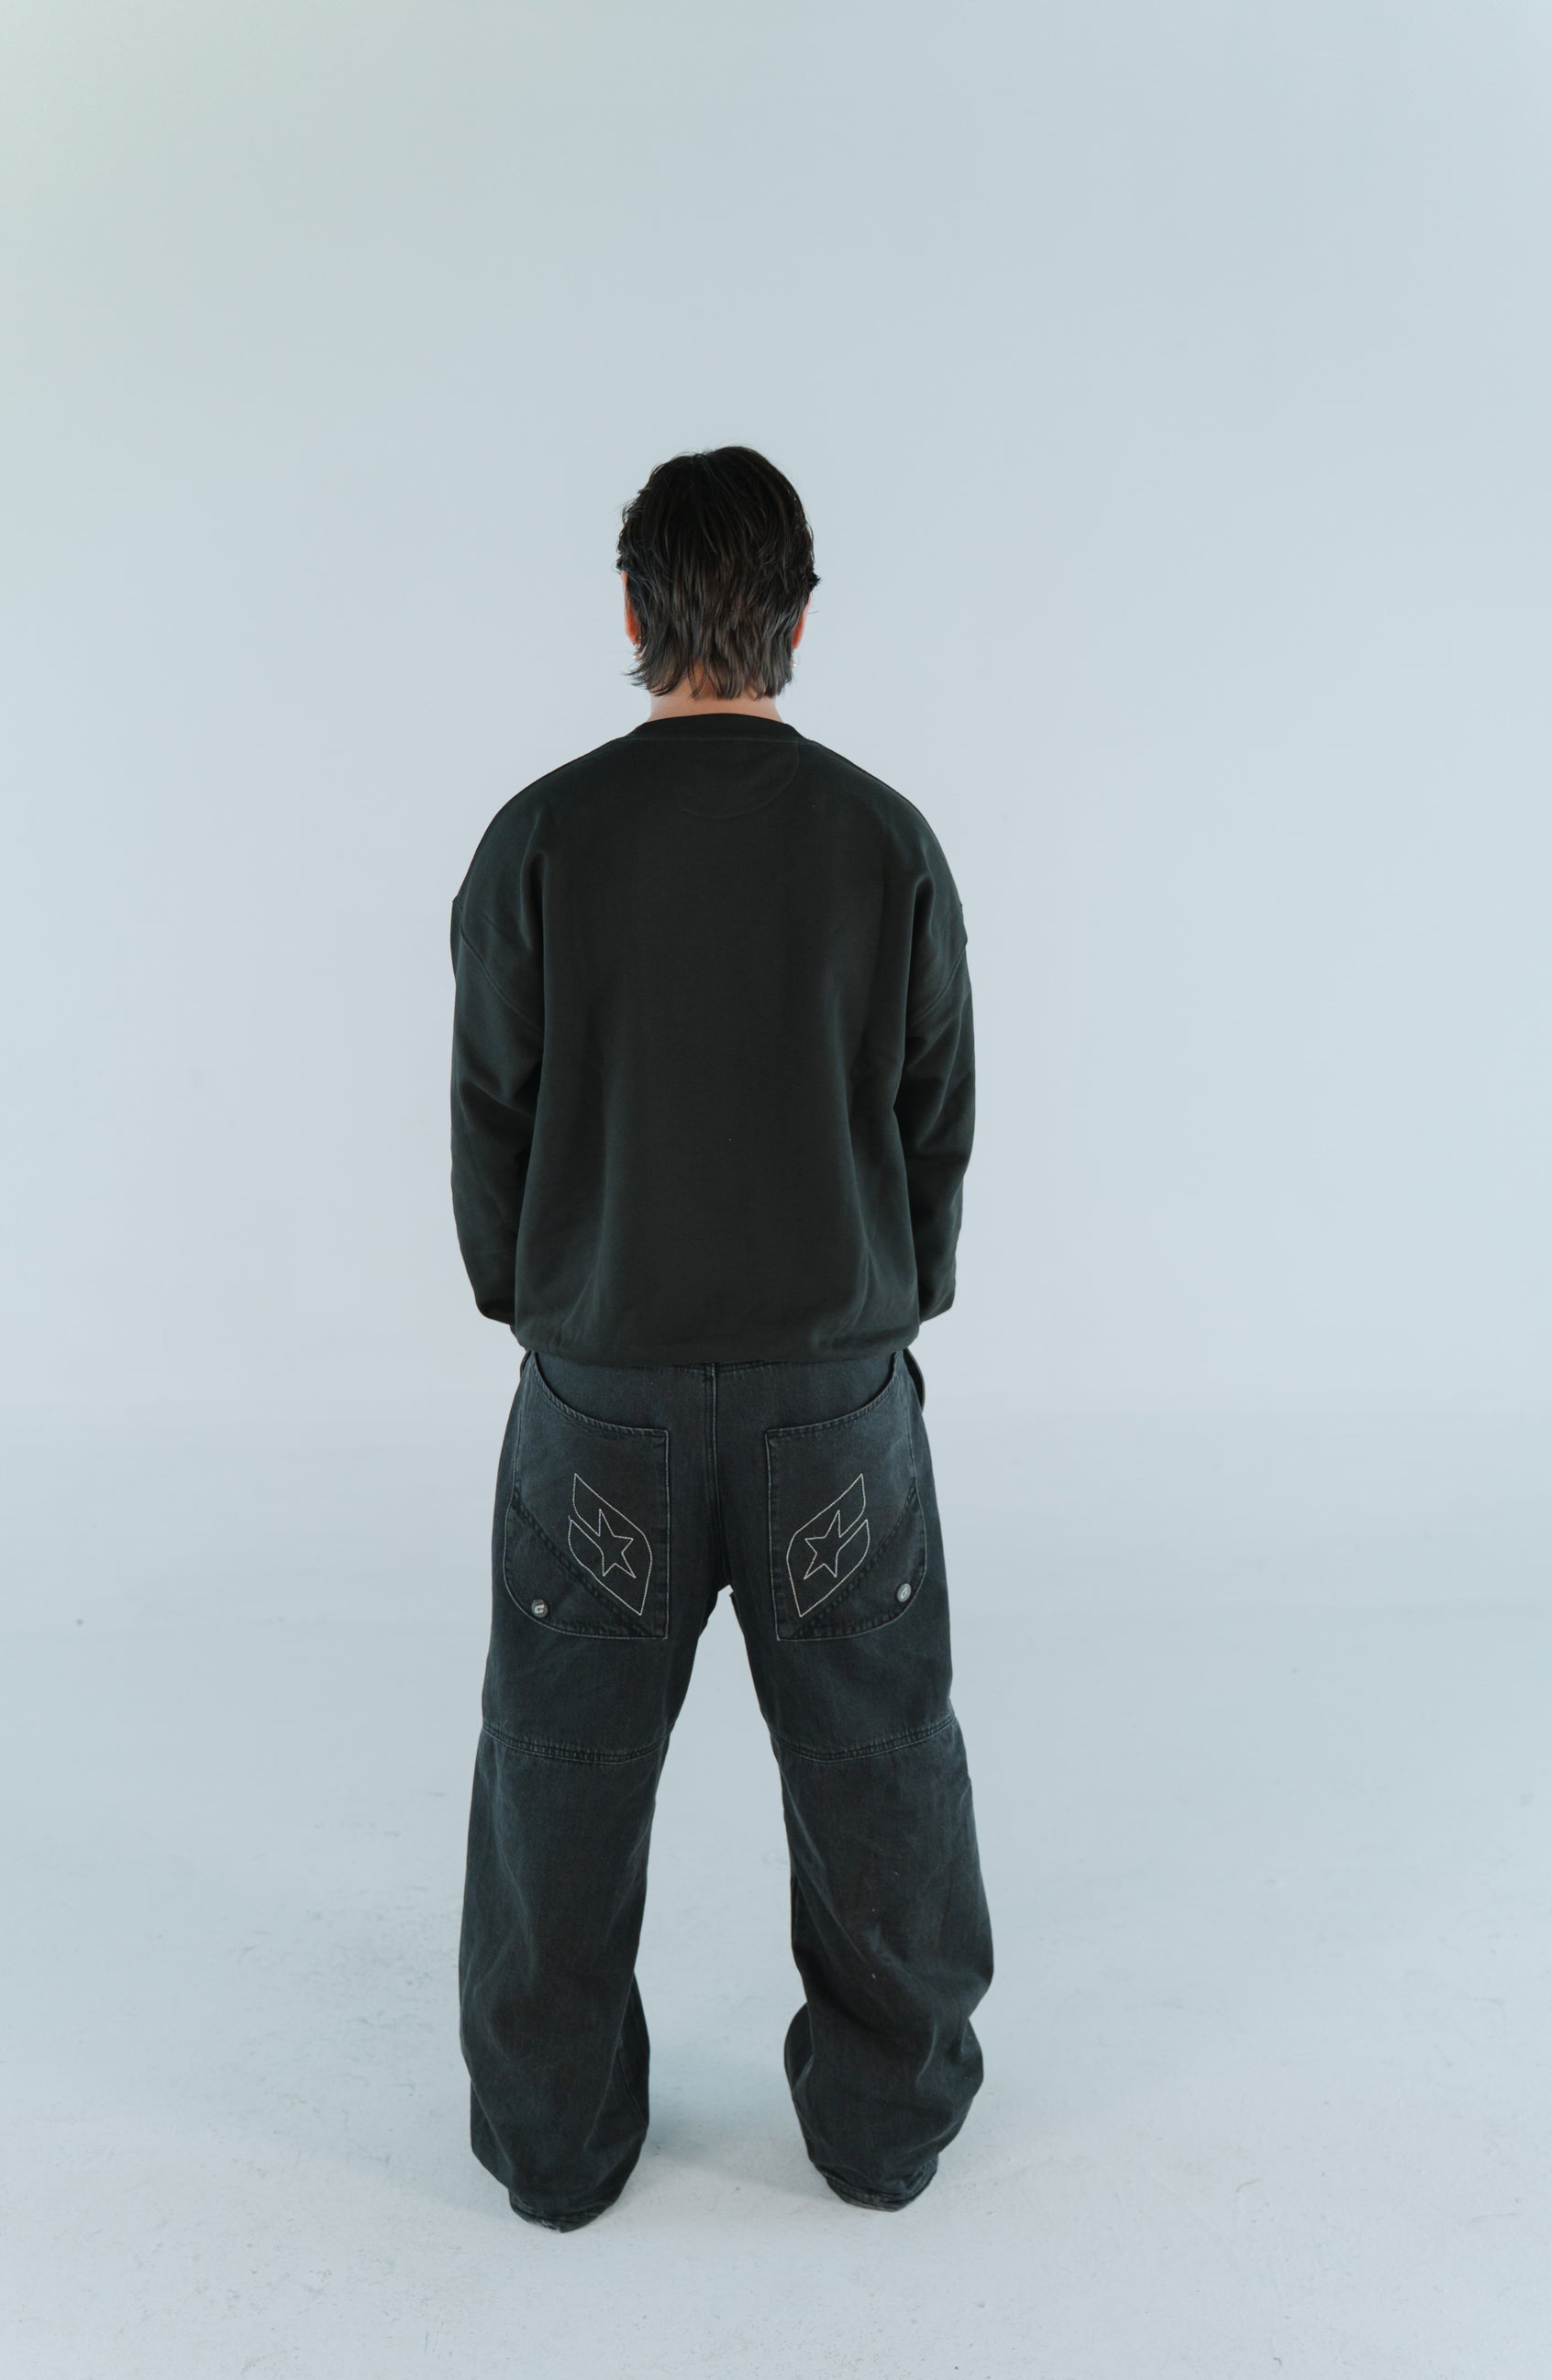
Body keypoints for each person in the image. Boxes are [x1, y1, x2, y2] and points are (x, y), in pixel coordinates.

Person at [448, 445, 992, 2230]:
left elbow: (492, 1110)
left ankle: (553, 2146)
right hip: (832, 1395)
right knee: (876, 1762)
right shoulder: (883, 842)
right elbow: (932, 1117)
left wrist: (540, 1299)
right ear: (799, 621)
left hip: (597, 1388)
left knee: (559, 1774)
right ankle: (884, 2131)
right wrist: (887, 1295)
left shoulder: (539, 840)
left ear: (629, 607)